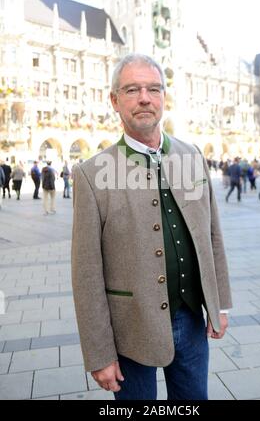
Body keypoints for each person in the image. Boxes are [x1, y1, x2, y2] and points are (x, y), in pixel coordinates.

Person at [71, 54, 232, 401]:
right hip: (131, 330)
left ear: (163, 97)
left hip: (191, 323)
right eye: (132, 89)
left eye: (153, 89)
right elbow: (86, 272)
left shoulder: (192, 156)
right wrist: (99, 354)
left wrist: (220, 304)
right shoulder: (92, 173)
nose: (145, 97)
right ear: (114, 100)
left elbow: (212, 236)